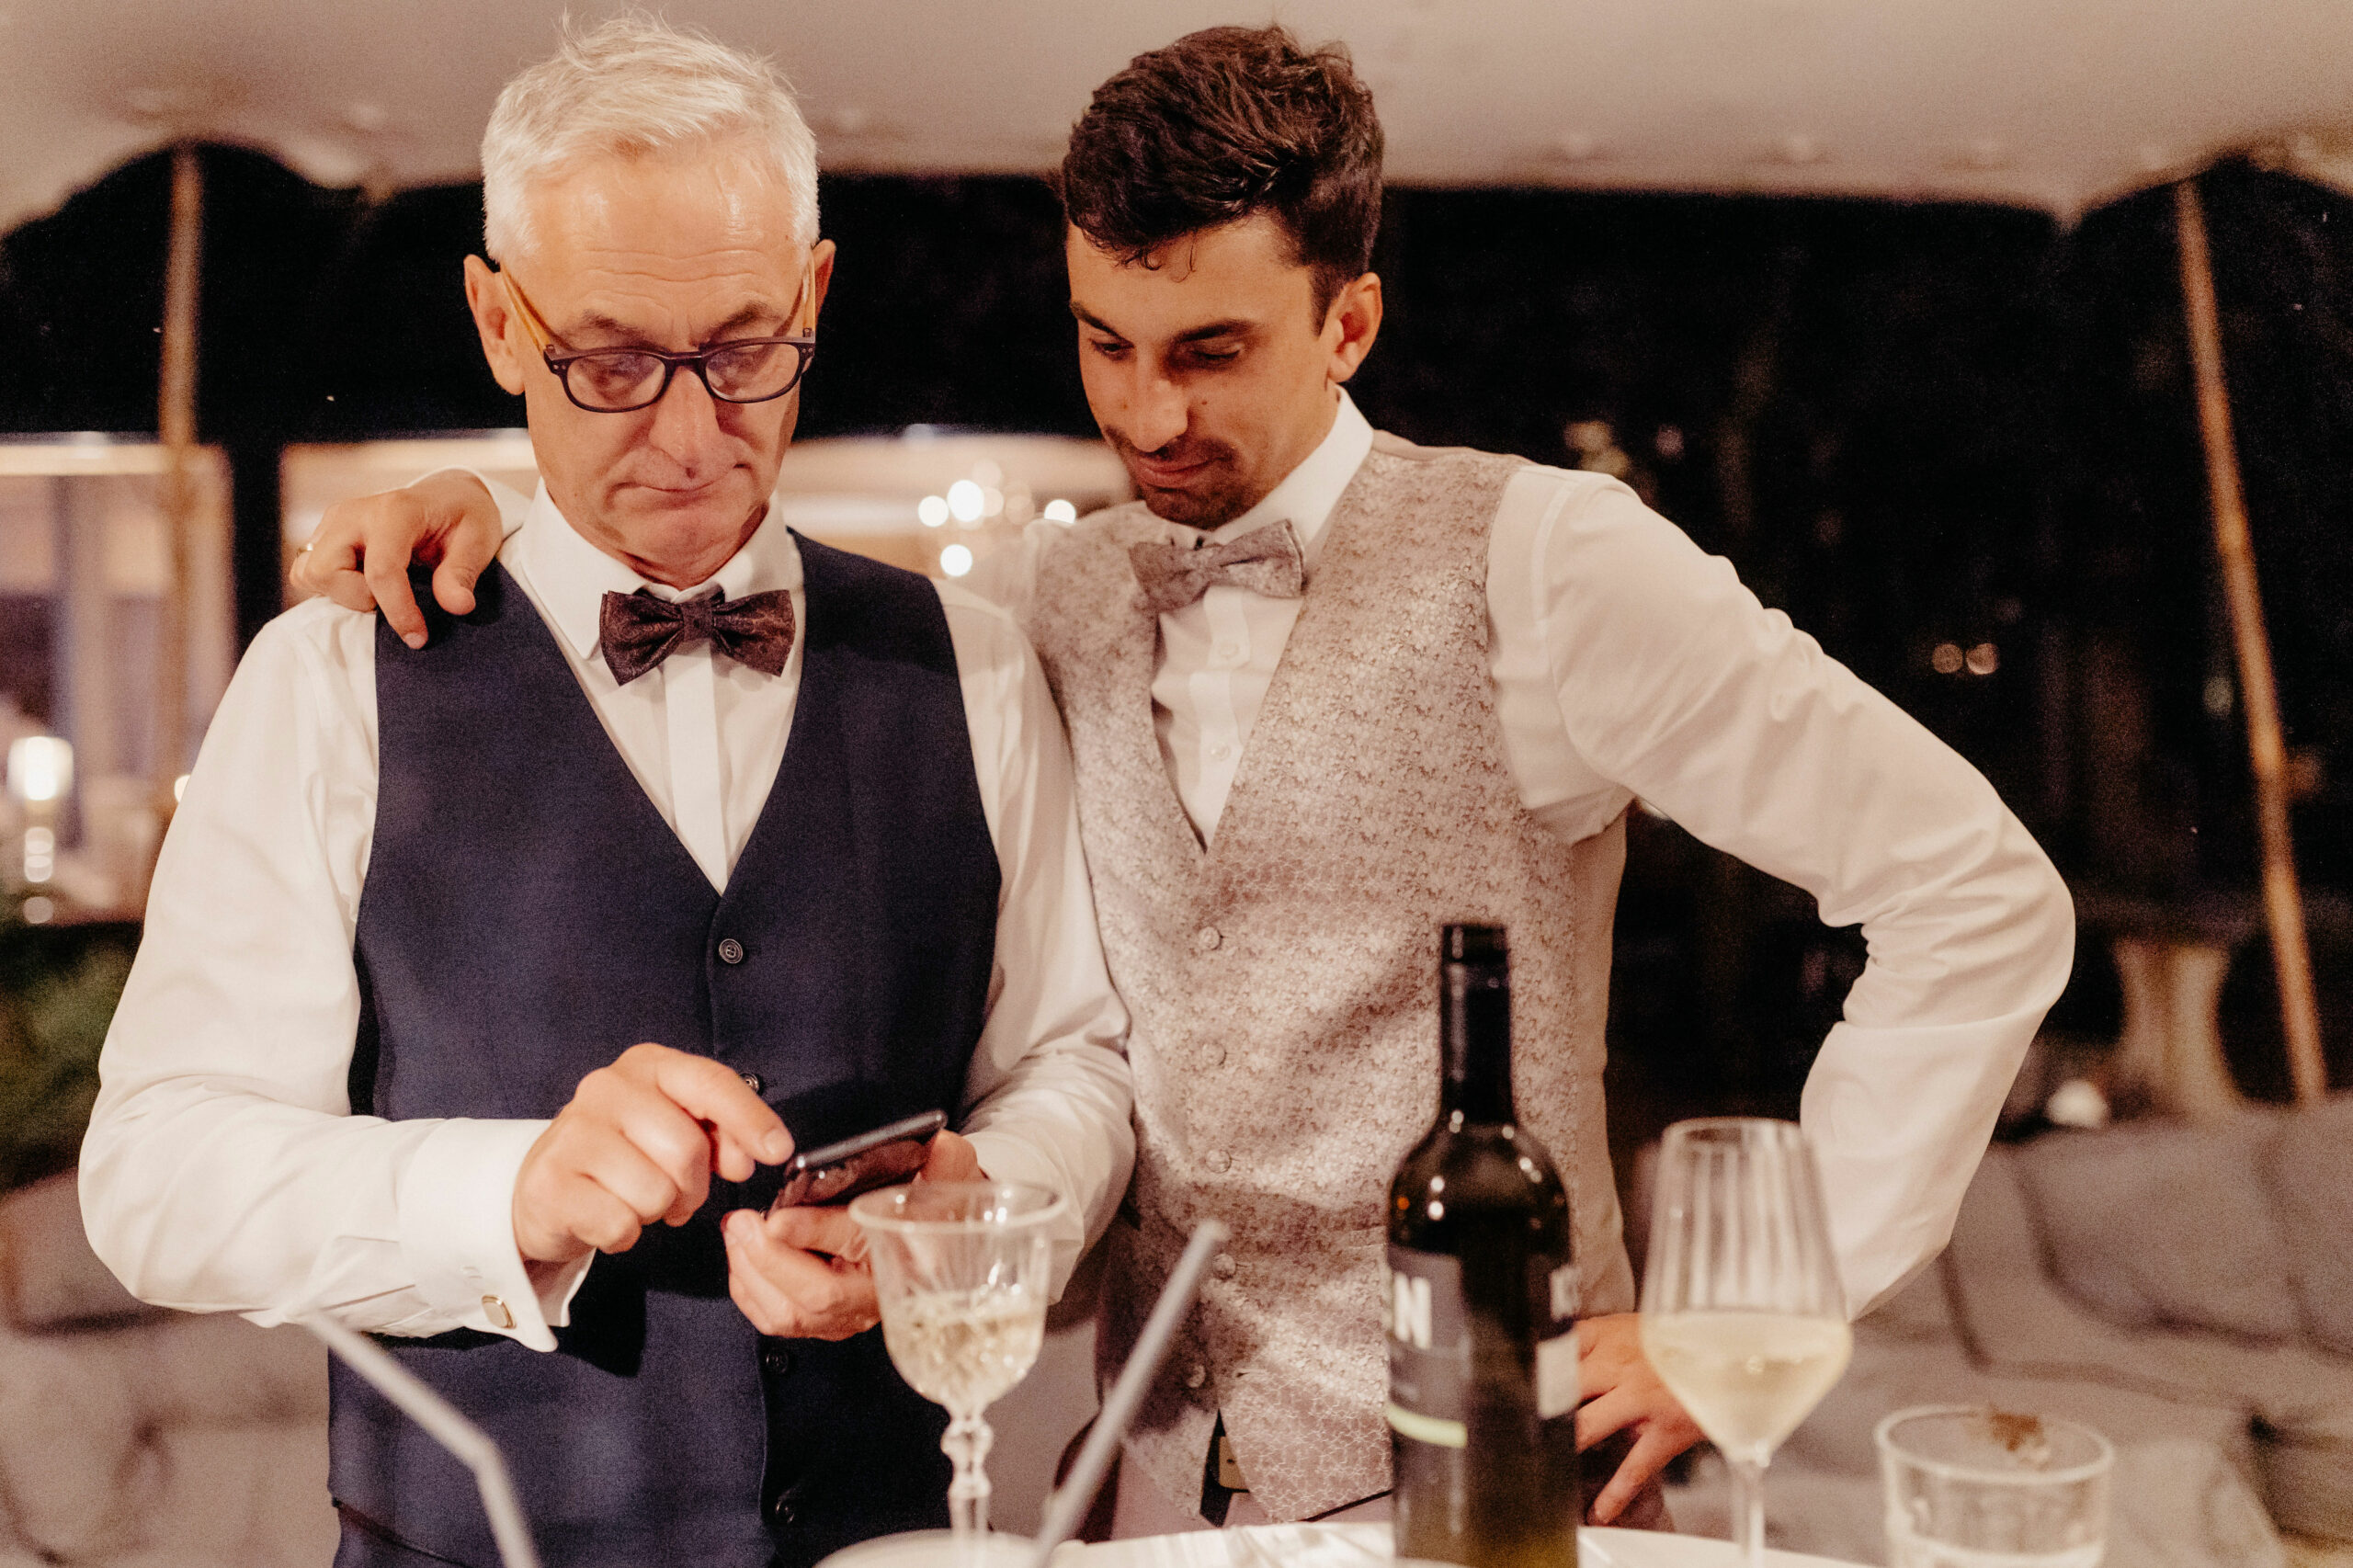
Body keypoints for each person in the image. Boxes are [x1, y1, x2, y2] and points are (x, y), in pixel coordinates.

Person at [298, 23, 2074, 1541]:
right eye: (1104, 342)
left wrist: (1753, 1304)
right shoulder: (1054, 602)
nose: (1147, 417)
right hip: (1137, 1492)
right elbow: (745, 585)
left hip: (1495, 1493)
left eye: (1210, 353)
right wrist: (495, 523)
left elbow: (1975, 896)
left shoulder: (1552, 563)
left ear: (1352, 319)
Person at [80, 19, 1132, 1568]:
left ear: (816, 297)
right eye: (615, 363)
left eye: (746, 349)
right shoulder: (329, 682)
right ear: (501, 325)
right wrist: (509, 1184)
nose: (695, 433)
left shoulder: (968, 667)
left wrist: (987, 1201)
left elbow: (1072, 1059)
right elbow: (153, 1171)